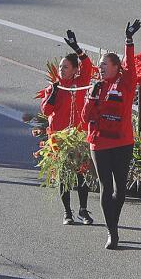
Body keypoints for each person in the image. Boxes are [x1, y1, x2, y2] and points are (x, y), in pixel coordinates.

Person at [81, 19, 141, 249]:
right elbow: (86, 118)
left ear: (116, 67)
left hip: (123, 142)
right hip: (99, 143)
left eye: (105, 64)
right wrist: (92, 97)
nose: (101, 67)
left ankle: (112, 222)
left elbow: (132, 66)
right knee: (106, 187)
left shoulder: (125, 83)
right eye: (100, 64)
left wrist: (129, 41)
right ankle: (112, 232)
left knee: (120, 190)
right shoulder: (96, 87)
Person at [39, 30, 95, 225]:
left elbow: (88, 66)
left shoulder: (80, 82)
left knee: (81, 176)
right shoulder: (54, 87)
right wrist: (54, 93)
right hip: (59, 138)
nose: (61, 69)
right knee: (63, 175)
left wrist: (76, 48)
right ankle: (67, 213)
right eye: (61, 67)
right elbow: (46, 110)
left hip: (78, 137)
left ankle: (83, 210)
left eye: (65, 67)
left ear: (73, 70)